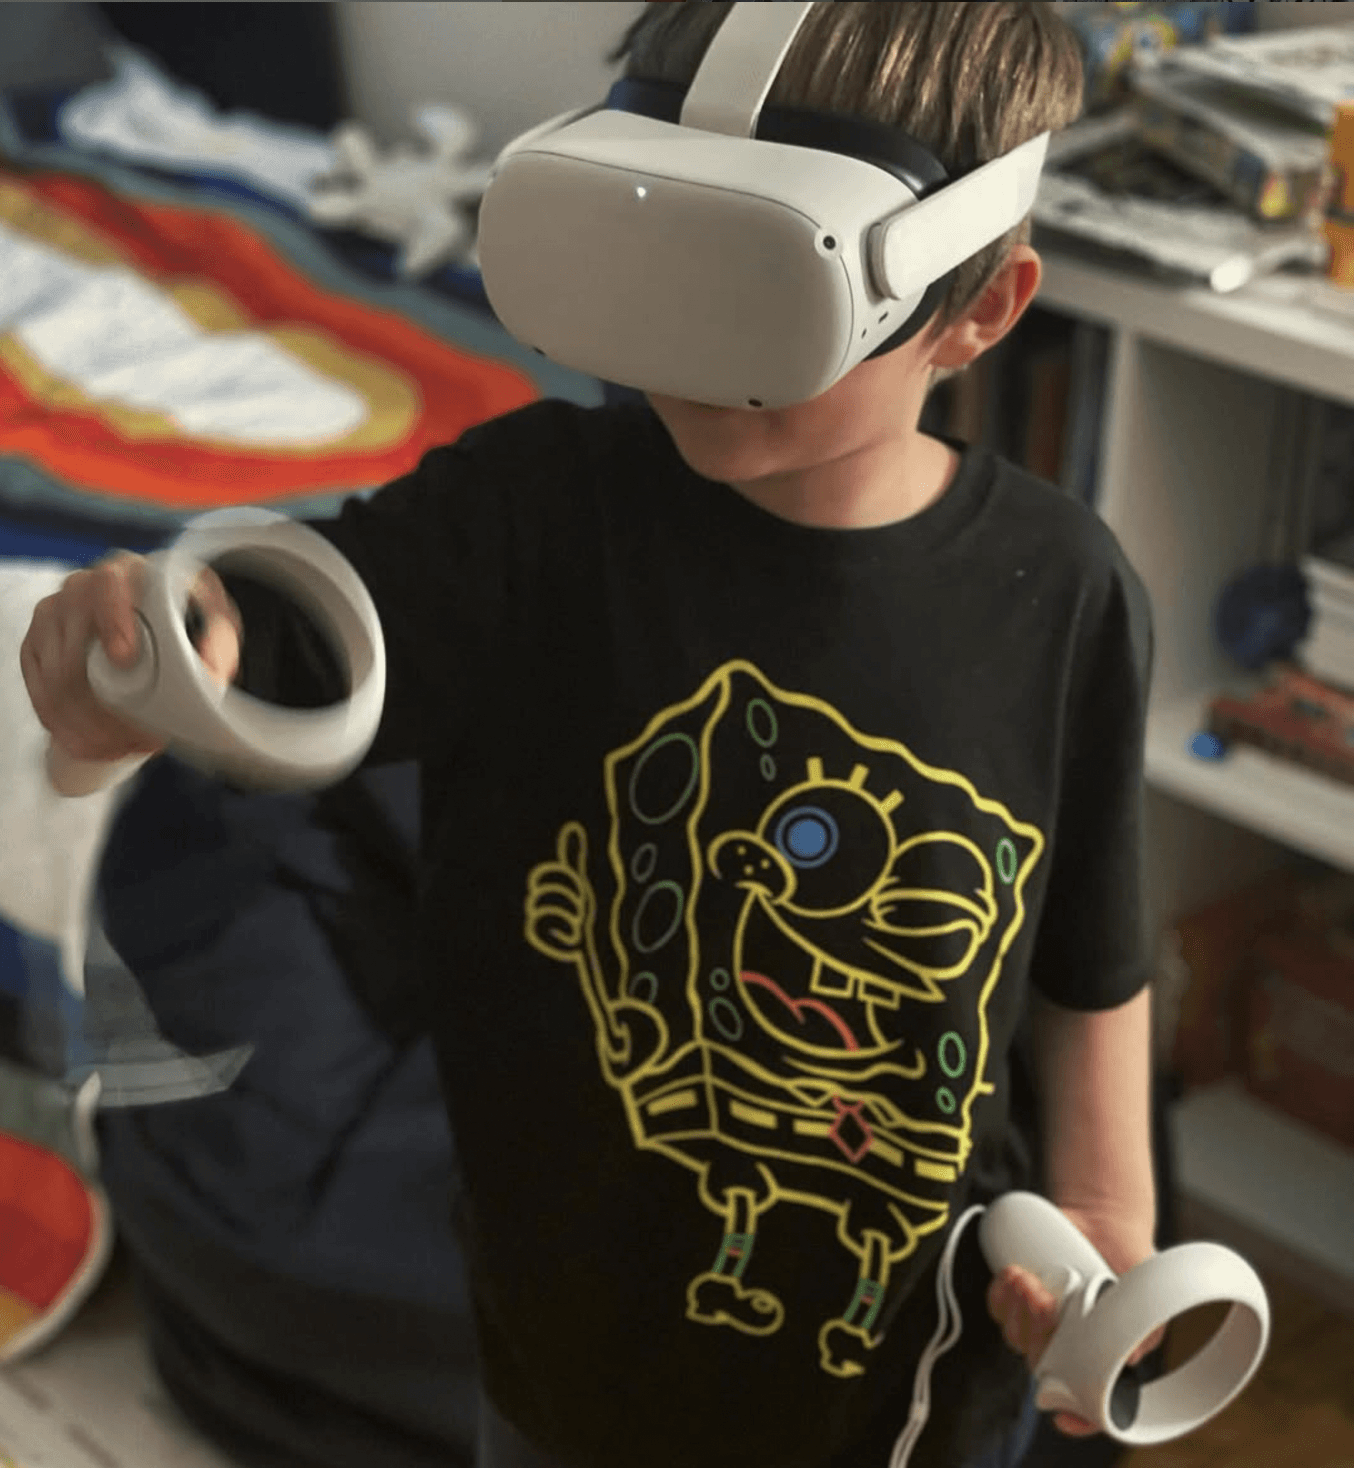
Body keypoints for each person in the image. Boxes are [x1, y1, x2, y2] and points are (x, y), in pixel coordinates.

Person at [20, 5, 1161, 1467]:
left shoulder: (1061, 595)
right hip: (557, 1356)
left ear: (978, 310)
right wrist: (164, 645)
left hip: (910, 1385)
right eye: (653, 253)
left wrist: (1108, 1213)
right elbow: (291, 626)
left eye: (750, 290)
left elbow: (1088, 951)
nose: (679, 345)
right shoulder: (531, 515)